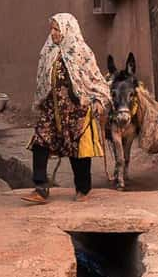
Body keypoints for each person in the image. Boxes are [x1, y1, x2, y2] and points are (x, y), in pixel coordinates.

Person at [22, 13, 110, 204]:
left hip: (76, 110)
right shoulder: (48, 52)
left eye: (56, 29)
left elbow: (94, 78)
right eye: (51, 29)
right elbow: (42, 80)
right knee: (40, 142)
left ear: (67, 30)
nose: (53, 33)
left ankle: (83, 189)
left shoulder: (81, 51)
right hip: (52, 109)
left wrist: (97, 100)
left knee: (77, 150)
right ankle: (40, 188)